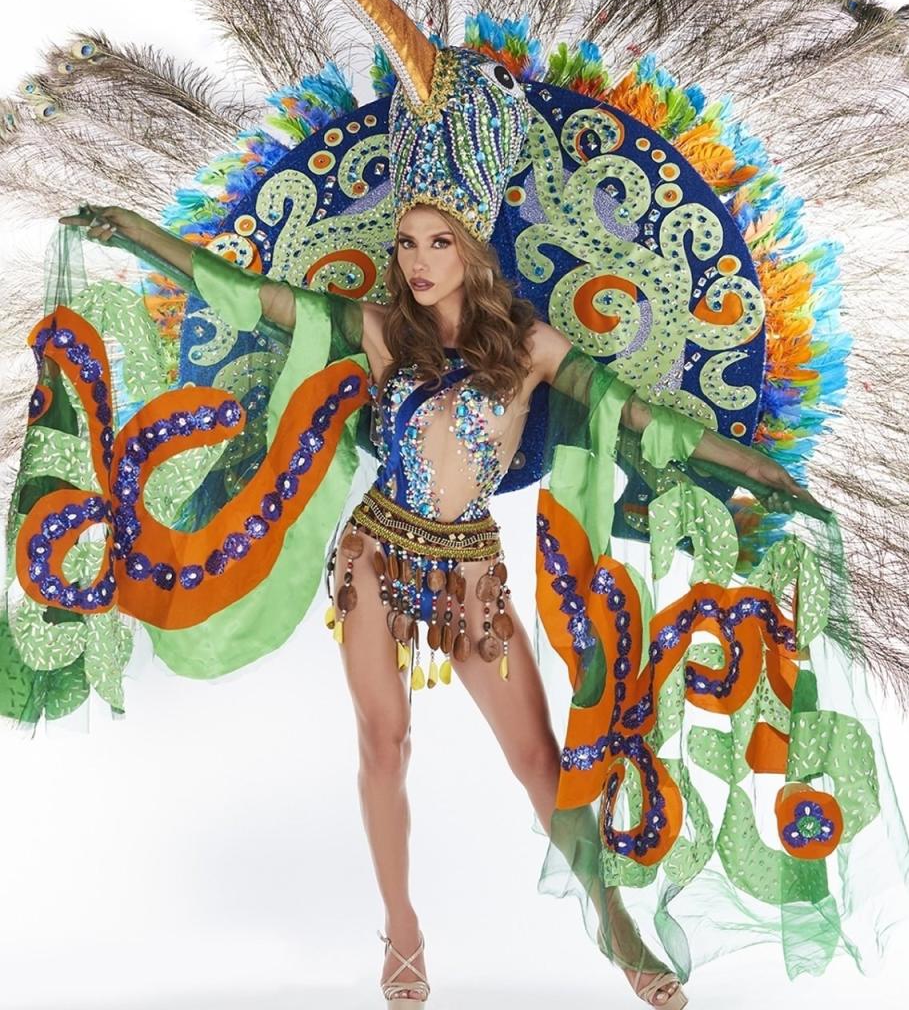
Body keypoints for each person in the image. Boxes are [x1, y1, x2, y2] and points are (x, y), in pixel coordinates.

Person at [59, 191, 815, 1007]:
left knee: (539, 762)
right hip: (375, 556)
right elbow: (246, 293)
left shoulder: (530, 346)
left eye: (437, 243)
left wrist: (753, 467)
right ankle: (403, 931)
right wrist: (138, 234)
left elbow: (639, 415)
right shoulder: (383, 331)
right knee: (386, 745)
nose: (418, 262)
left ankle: (616, 925)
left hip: (470, 571)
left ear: (473, 254)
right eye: (406, 245)